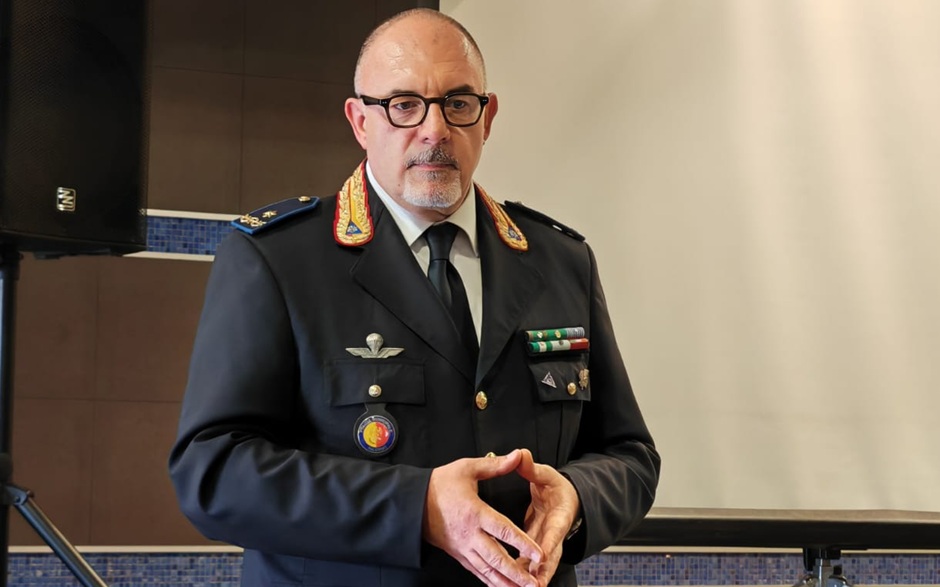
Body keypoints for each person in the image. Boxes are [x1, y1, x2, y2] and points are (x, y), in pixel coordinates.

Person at [169, 8, 660, 587]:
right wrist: (414, 506)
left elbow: (629, 454)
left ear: (487, 118)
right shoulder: (278, 258)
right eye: (403, 105)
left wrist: (576, 496)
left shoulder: (560, 260)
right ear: (360, 121)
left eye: (458, 103)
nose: (434, 129)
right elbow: (213, 471)